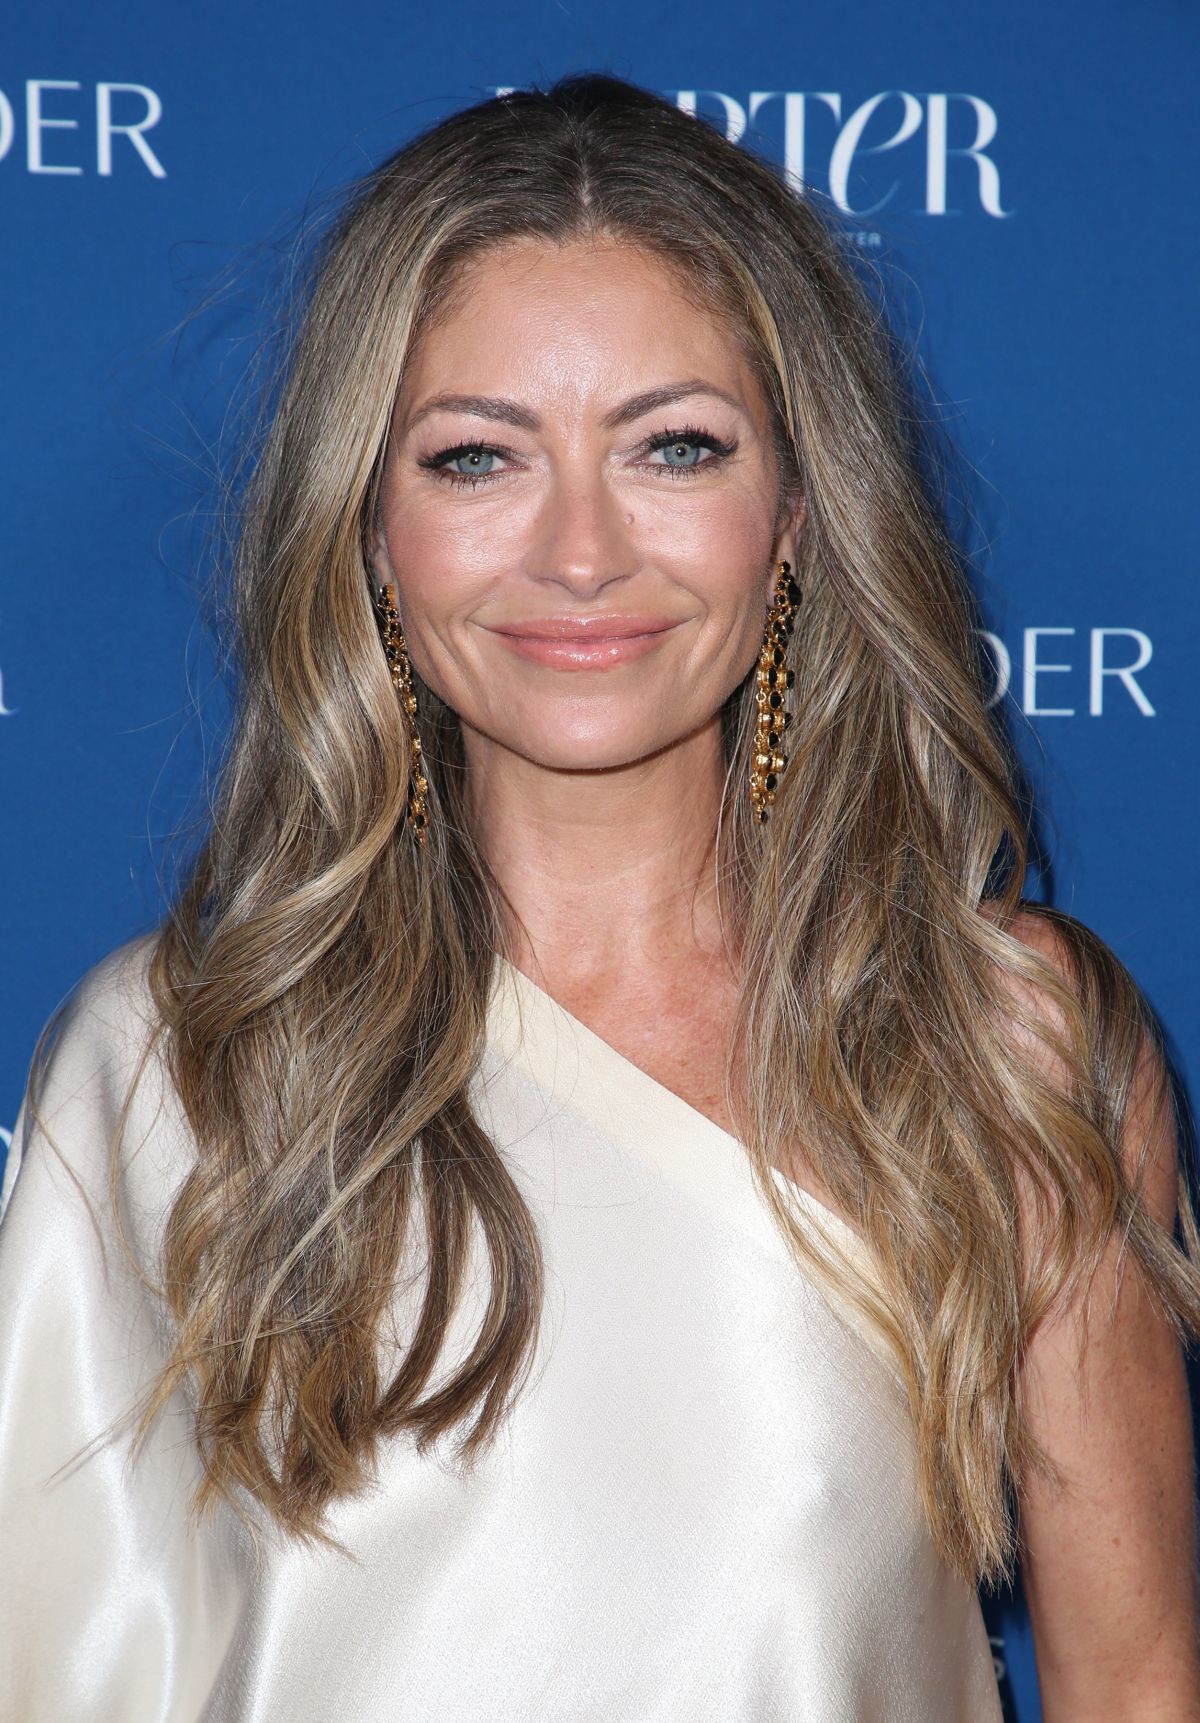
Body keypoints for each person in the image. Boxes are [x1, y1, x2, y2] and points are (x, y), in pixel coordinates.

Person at [2, 72, 1198, 1723]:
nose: (580, 552)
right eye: (478, 457)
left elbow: (1138, 1683)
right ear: (371, 527)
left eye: (674, 447)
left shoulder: (1008, 1046)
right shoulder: (167, 1067)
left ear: (795, 515)